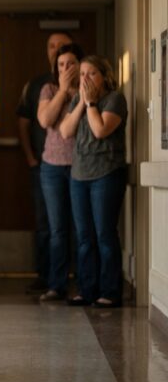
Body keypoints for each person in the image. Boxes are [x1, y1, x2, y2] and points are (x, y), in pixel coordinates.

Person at [59, 55, 127, 308]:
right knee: (84, 236)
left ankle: (109, 291)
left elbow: (100, 130)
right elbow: (65, 131)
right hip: (79, 176)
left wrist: (90, 103)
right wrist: (81, 102)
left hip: (106, 174)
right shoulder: (77, 100)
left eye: (91, 74)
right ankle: (86, 290)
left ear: (105, 76)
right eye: (82, 74)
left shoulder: (115, 99)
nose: (85, 79)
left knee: (104, 235)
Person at [16, 32, 73, 294]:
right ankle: (45, 276)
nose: (57, 50)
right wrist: (30, 158)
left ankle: (75, 277)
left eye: (62, 46)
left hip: (79, 165)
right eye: (52, 46)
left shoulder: (84, 80)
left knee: (75, 225)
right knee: (45, 224)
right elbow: (24, 124)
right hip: (43, 164)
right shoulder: (39, 85)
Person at [36, 43, 85, 302]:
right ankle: (56, 285)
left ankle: (84, 285)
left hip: (82, 167)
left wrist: (75, 92)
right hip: (52, 167)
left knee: (80, 228)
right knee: (57, 229)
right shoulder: (49, 89)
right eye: (61, 65)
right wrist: (63, 91)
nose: (65, 69)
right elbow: (45, 120)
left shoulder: (87, 90)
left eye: (71, 64)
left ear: (80, 65)